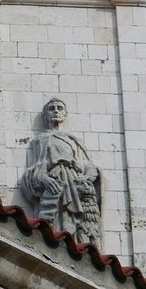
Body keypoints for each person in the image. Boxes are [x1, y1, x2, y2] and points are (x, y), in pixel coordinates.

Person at [19, 97, 101, 246]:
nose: (56, 111)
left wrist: (87, 177)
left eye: (59, 108)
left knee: (75, 220)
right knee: (55, 219)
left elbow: (86, 165)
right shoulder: (41, 140)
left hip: (74, 184)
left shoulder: (74, 140)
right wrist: (43, 179)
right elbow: (36, 168)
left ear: (65, 114)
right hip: (55, 182)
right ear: (45, 116)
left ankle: (74, 243)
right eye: (51, 109)